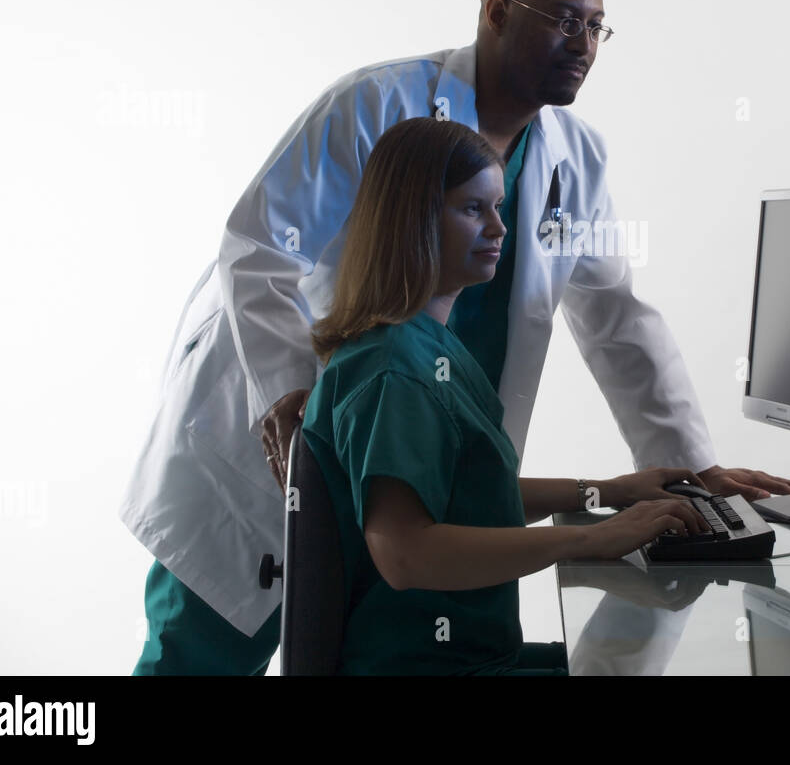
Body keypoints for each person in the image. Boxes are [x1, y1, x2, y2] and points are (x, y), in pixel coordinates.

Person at [123, 0, 790, 676]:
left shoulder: (573, 158)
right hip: (267, 448)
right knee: (195, 660)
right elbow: (259, 251)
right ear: (496, 12)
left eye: (595, 24)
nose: (583, 42)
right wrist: (297, 403)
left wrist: (688, 471)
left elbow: (617, 320)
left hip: (403, 476)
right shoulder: (373, 106)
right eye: (563, 18)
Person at [303, 117, 712, 674]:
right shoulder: (394, 371)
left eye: (499, 208)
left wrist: (606, 491)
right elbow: (405, 552)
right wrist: (586, 542)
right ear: (412, 219)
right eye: (473, 209)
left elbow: (469, 499)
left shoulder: (423, 345)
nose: (499, 228)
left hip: (476, 657)